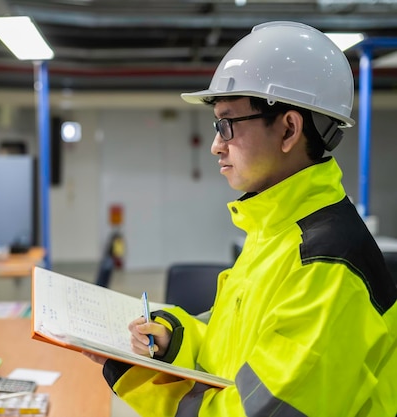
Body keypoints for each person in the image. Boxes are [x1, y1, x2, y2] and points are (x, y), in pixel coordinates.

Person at [86, 21, 397, 416]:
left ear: (288, 129)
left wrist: (139, 380)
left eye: (227, 125)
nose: (217, 145)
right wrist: (171, 336)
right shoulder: (279, 231)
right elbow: (230, 342)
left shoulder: (327, 265)